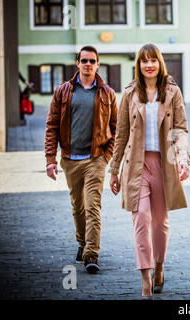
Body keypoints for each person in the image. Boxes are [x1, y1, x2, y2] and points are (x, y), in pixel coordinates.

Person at [109, 43, 190, 299]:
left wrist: (184, 159)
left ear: (160, 63)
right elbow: (121, 133)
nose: (149, 65)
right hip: (136, 165)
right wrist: (114, 170)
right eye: (144, 61)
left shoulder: (173, 92)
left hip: (164, 166)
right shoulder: (130, 93)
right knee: (140, 218)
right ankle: (145, 278)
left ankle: (159, 266)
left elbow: (181, 128)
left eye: (153, 60)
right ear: (139, 65)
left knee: (160, 223)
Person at [44, 45, 118, 274]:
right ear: (77, 63)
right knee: (78, 206)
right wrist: (50, 158)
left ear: (98, 64)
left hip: (96, 158)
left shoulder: (108, 93)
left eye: (92, 61)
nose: (88, 64)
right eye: (84, 60)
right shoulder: (63, 91)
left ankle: (91, 254)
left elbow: (116, 129)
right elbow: (52, 125)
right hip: (70, 159)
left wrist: (107, 156)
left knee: (93, 205)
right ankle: (82, 244)